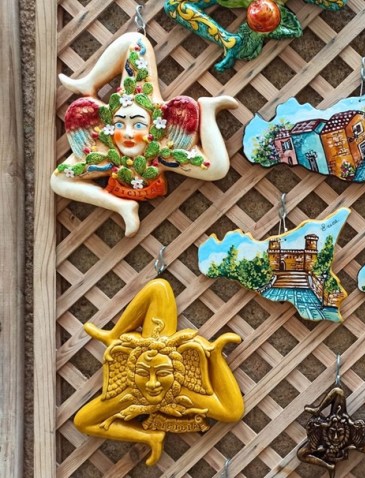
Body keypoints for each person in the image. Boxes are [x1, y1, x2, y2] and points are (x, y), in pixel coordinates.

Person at [52, 32, 237, 236]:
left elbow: (217, 168)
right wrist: (120, 205)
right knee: (59, 181)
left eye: (138, 125)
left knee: (217, 169)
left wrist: (207, 116)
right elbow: (132, 41)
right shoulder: (102, 155)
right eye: (120, 124)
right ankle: (124, 207)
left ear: (157, 124)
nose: (128, 134)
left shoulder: (166, 150)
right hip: (120, 179)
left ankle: (207, 108)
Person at [74, 279, 244, 465]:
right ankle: (114, 336)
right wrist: (146, 437)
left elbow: (232, 412)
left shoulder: (186, 391)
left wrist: (216, 356)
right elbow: (83, 422)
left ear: (180, 370)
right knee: (160, 287)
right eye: (143, 373)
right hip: (142, 364)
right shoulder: (127, 394)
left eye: (162, 373)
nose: (152, 384)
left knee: (161, 287)